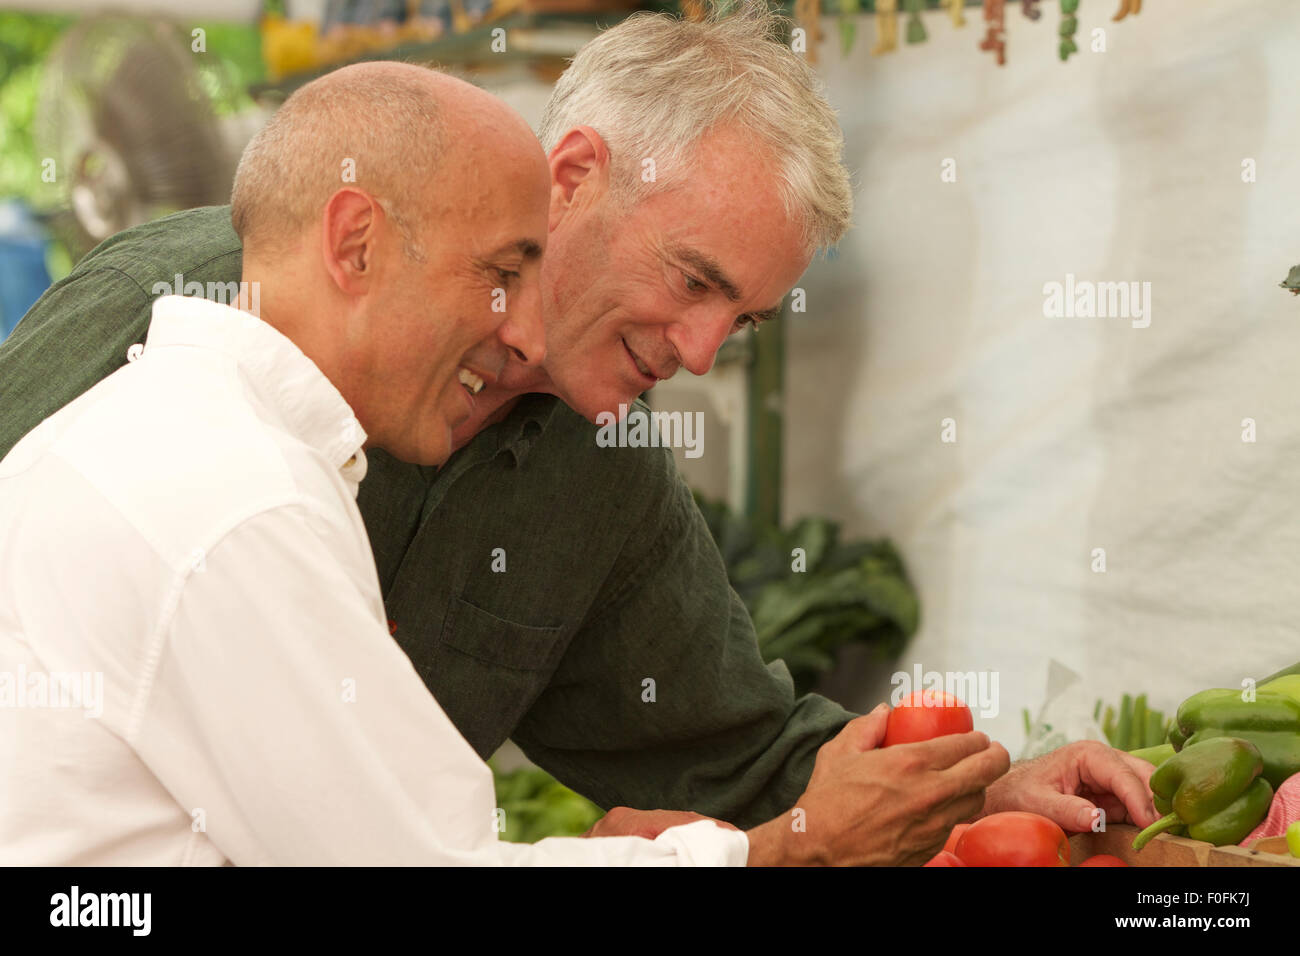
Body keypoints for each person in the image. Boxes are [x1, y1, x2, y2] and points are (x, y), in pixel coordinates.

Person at [0, 6, 1157, 865]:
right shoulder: (190, 304)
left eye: (742, 320)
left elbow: (729, 749)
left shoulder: (602, 477)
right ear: (574, 176)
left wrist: (981, 782)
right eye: (694, 279)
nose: (703, 351)